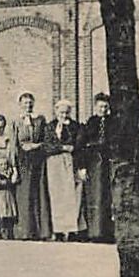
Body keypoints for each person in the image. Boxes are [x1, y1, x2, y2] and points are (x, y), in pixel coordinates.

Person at [9, 92, 52, 240]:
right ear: (20, 104)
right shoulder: (15, 122)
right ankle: (24, 231)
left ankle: (41, 232)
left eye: (30, 103)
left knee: (38, 194)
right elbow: (13, 145)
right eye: (25, 103)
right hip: (22, 161)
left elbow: (46, 139)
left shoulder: (40, 120)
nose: (28, 105)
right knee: (24, 195)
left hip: (38, 160)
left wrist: (36, 145)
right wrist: (14, 168)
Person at [77, 94, 114, 242]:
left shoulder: (113, 123)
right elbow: (81, 146)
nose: (103, 109)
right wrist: (82, 167)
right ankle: (93, 232)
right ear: (95, 107)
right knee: (94, 197)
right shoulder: (89, 124)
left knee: (108, 197)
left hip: (109, 163)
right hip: (93, 164)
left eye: (105, 107)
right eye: (100, 107)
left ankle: (107, 232)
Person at [45, 99, 82, 241]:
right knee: (56, 197)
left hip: (70, 163)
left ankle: (72, 230)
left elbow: (78, 145)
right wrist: (62, 147)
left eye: (66, 112)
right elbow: (47, 146)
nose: (63, 115)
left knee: (71, 197)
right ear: (56, 112)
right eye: (61, 112)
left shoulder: (76, 127)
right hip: (54, 164)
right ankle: (58, 231)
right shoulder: (50, 127)